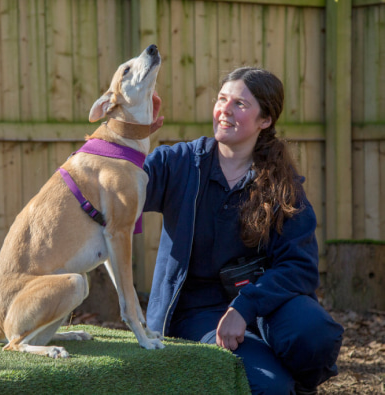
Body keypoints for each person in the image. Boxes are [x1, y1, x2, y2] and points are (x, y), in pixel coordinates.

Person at [143, 67, 344, 395]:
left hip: (263, 304)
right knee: (270, 386)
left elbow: (299, 266)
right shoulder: (177, 163)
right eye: (222, 99)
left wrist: (245, 305)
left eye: (240, 104)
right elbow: (120, 187)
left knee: (315, 334)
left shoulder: (282, 184)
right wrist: (132, 135)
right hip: (196, 312)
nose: (225, 109)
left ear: (264, 120)